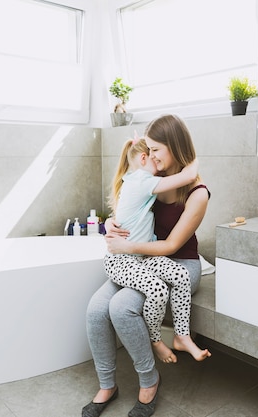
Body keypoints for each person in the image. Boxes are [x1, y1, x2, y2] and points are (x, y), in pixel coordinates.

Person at [82, 115, 211, 417]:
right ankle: (106, 384)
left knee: (121, 307)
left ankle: (149, 380)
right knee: (95, 309)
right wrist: (111, 225)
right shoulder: (149, 178)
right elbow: (128, 210)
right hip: (140, 259)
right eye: (148, 149)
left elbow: (170, 246)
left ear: (175, 147)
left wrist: (125, 246)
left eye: (156, 150)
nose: (150, 156)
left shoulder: (197, 192)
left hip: (178, 263)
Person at [103, 136, 210, 365]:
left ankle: (182, 335)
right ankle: (156, 340)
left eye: (157, 150)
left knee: (180, 275)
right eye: (151, 153)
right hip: (123, 260)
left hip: (141, 256)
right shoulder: (142, 180)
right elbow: (189, 175)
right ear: (143, 158)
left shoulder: (140, 178)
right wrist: (192, 157)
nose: (155, 158)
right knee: (158, 289)